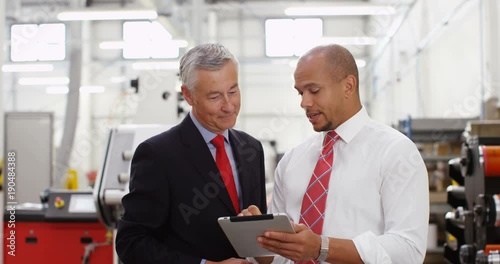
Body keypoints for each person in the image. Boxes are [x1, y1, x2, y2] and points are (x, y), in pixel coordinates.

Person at [247, 44, 429, 263]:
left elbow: (408, 250)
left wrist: (321, 248)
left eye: (314, 91)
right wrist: (259, 242)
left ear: (348, 86)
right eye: (300, 93)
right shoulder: (292, 161)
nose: (304, 102)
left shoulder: (395, 152)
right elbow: (282, 258)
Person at [115, 43, 267, 264]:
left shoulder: (251, 148)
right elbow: (131, 243)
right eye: (215, 97)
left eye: (233, 92)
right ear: (188, 95)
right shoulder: (158, 155)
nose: (229, 106)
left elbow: (256, 227)